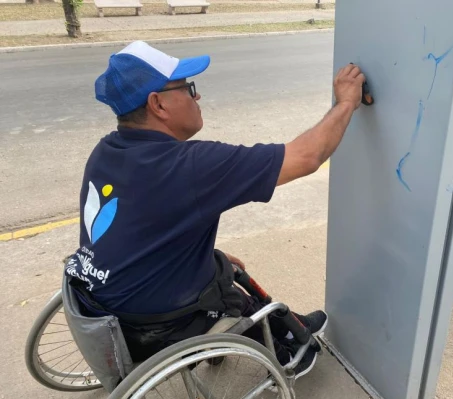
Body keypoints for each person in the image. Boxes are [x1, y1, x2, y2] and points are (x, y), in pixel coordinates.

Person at [64, 40, 365, 378]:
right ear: (158, 103)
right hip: (154, 327)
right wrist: (346, 103)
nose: (197, 97)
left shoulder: (106, 151)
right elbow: (306, 157)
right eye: (188, 89)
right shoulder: (192, 164)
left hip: (100, 305)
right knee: (229, 291)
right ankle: (288, 350)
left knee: (220, 264)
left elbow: (135, 227)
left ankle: (285, 322)